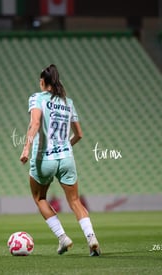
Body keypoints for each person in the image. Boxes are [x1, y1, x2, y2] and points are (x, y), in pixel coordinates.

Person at [20, 64, 101, 256]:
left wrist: (26, 148)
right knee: (75, 201)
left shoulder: (37, 98)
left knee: (39, 198)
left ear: (42, 82)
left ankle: (63, 238)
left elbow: (35, 123)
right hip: (66, 158)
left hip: (44, 158)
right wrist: (64, 147)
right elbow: (79, 134)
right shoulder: (68, 102)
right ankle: (92, 239)